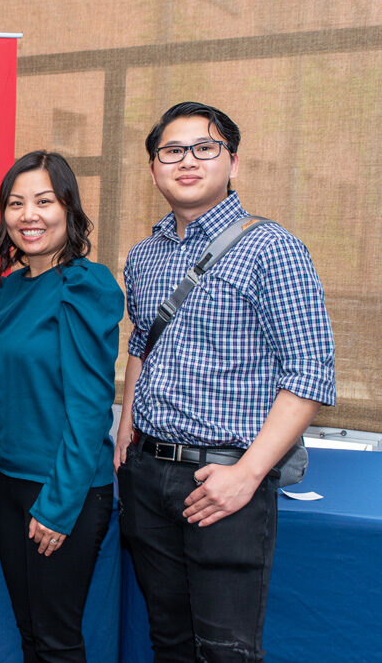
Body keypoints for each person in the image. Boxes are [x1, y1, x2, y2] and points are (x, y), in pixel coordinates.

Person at [115, 102, 336, 662]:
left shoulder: (273, 249)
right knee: (169, 642)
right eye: (171, 151)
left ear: (232, 162)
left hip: (227, 478)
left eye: (204, 148)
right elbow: (143, 341)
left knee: (225, 652)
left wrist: (247, 475)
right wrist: (125, 431)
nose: (187, 161)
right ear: (153, 168)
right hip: (148, 474)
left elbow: (310, 371)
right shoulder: (144, 255)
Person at [0, 151, 123, 662]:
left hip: (66, 489)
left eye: (44, 201)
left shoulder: (85, 285)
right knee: (31, 636)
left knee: (58, 642)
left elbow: (90, 408)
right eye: (16, 203)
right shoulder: (14, 286)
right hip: (11, 483)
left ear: (68, 208)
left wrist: (59, 505)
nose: (29, 215)